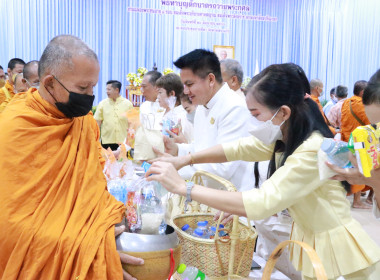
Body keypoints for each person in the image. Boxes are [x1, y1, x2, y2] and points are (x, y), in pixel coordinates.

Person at [147, 63, 380, 280]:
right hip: (310, 244)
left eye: (256, 114)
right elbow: (241, 148)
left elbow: (262, 201)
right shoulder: (286, 137)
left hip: (340, 253)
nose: (252, 122)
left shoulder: (311, 148)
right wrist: (187, 158)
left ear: (284, 112)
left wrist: (183, 187)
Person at [0, 35, 143, 280]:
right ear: (50, 83)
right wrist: (89, 248)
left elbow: (92, 189)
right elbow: (12, 224)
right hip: (45, 246)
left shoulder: (84, 123)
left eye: (93, 87)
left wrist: (102, 230)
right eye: (82, 88)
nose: (90, 96)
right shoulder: (16, 126)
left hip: (85, 227)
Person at [159, 49, 254, 192]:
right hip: (208, 195)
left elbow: (223, 167)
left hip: (231, 199)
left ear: (211, 79)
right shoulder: (203, 106)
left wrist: (176, 169)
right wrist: (178, 150)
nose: (185, 91)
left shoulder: (234, 107)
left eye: (189, 84)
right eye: (184, 85)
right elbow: (201, 149)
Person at [327, 69, 380, 220]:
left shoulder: (345, 104)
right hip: (358, 143)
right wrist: (373, 181)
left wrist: (373, 180)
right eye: (375, 127)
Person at [340, 80, 372, 208]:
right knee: (360, 168)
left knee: (351, 168)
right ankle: (357, 201)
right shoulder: (360, 105)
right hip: (358, 142)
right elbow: (370, 122)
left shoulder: (346, 102)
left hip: (347, 139)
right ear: (363, 92)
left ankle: (357, 198)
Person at [94, 80, 133, 151]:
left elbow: (131, 123)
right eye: (106, 89)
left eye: (109, 89)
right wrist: (95, 139)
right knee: (106, 161)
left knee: (123, 162)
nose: (107, 91)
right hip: (106, 141)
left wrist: (129, 140)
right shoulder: (102, 104)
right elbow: (97, 123)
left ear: (116, 90)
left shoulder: (128, 104)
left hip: (123, 141)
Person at [156, 73, 193, 143]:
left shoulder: (182, 116)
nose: (157, 97)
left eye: (160, 92)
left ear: (171, 94)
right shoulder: (162, 112)